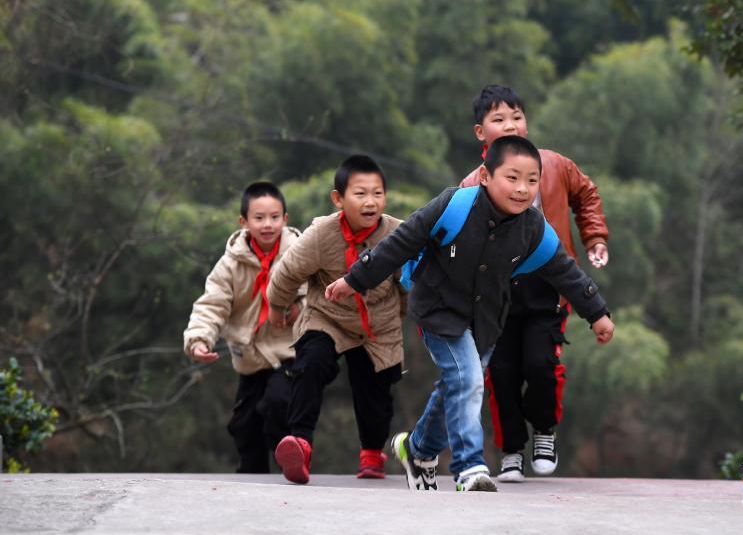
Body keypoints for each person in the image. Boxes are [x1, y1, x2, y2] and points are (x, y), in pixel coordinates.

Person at [326, 136, 615, 492]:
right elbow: (402, 242)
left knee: (457, 386)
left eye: (531, 180)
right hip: (439, 311)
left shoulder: (533, 229)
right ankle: (469, 468)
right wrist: (355, 280)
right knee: (469, 380)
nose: (522, 189)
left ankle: (417, 450)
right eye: (512, 178)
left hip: (486, 321)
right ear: (484, 175)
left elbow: (565, 272)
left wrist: (597, 312)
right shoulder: (455, 205)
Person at [459, 84, 610, 481]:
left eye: (516, 117)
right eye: (498, 119)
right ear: (481, 132)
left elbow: (587, 195)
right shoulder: (472, 185)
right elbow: (457, 242)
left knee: (541, 364)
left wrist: (594, 237)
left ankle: (544, 430)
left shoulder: (555, 165)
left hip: (548, 288)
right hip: (497, 296)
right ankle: (511, 450)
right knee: (502, 371)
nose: (510, 125)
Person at [266, 155, 405, 484]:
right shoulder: (321, 233)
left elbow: (411, 282)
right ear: (338, 199)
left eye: (377, 193)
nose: (370, 202)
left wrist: (407, 316)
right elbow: (286, 273)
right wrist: (277, 306)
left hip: (378, 323)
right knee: (310, 363)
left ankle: (372, 453)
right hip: (328, 316)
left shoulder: (398, 233)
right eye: (360, 194)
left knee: (376, 392)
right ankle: (300, 443)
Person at [183, 181, 304, 473]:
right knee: (243, 425)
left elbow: (317, 289)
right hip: (249, 357)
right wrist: (200, 339)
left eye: (274, 217)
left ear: (285, 219)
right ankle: (252, 476)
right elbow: (212, 305)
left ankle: (294, 462)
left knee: (278, 404)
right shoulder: (229, 265)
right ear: (244, 222)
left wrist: (299, 307)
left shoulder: (300, 252)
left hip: (288, 350)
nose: (267, 225)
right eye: (259, 218)